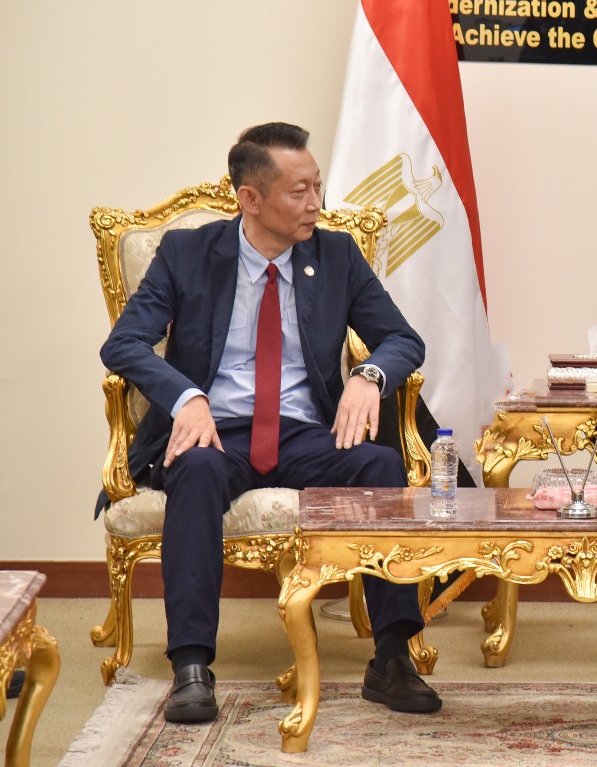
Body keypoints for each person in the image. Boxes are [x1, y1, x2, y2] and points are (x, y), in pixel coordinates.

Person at [101, 122, 443, 723]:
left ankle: (392, 656)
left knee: (381, 464)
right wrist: (186, 397)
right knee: (195, 470)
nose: (316, 203)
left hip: (305, 433)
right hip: (215, 431)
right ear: (250, 198)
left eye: (317, 187)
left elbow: (402, 340)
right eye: (299, 191)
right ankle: (191, 667)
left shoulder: (336, 255)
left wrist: (368, 376)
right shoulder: (186, 255)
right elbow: (123, 344)